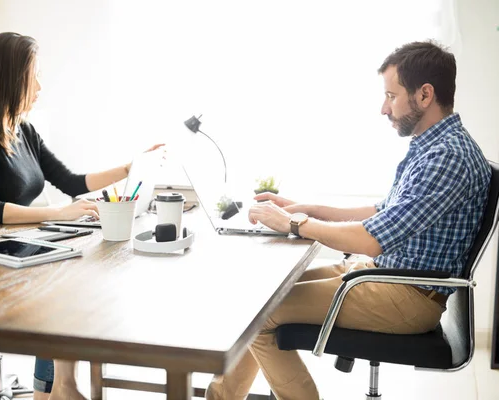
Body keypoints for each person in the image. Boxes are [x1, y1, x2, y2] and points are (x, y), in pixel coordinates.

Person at [205, 41, 491, 400]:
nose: (383, 108)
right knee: (260, 297)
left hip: (405, 296)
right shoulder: (434, 145)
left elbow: (371, 239)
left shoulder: (447, 157)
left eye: (391, 95)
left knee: (259, 317)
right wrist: (304, 208)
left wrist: (292, 225)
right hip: (387, 277)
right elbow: (380, 213)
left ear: (425, 95)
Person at [0, 32, 163, 400]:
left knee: (72, 281)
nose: (40, 85)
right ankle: (59, 388)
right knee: (59, 289)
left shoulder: (24, 130)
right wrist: (60, 212)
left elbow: (71, 181)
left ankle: (58, 388)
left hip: (9, 246)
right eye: (34, 75)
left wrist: (128, 167)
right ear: (10, 77)